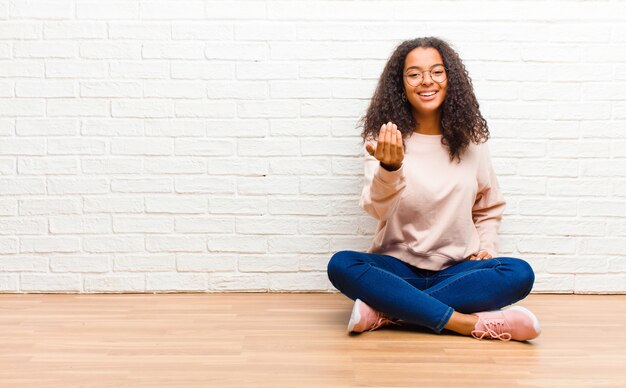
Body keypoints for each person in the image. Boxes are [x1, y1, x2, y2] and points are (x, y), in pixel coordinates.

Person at [326, 37, 541, 342]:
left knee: (518, 273)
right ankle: (466, 324)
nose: (427, 81)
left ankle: (390, 310)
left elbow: (488, 206)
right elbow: (377, 209)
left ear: (449, 78)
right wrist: (390, 168)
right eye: (414, 74)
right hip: (398, 267)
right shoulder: (385, 138)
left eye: (437, 72)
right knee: (343, 264)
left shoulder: (472, 141)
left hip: (457, 270)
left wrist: (487, 247)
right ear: (401, 84)